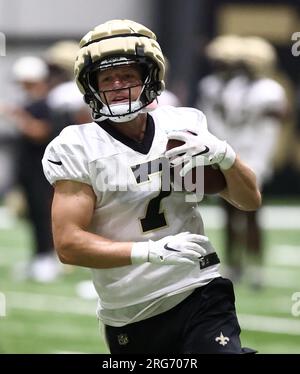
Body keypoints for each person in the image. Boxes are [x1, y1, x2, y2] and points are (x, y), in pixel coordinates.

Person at [42, 19, 261, 354]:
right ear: (90, 85)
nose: (117, 85)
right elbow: (68, 244)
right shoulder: (77, 146)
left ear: (150, 78)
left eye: (127, 75)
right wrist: (149, 252)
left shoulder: (182, 127)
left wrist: (227, 156)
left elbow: (248, 200)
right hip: (128, 308)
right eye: (106, 77)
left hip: (196, 289)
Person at [197, 36, 287, 286]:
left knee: (252, 212)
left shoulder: (268, 89)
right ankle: (234, 263)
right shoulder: (223, 86)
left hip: (255, 154)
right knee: (228, 212)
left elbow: (270, 126)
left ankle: (256, 265)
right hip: (229, 151)